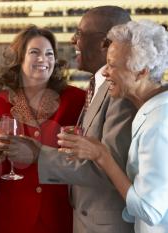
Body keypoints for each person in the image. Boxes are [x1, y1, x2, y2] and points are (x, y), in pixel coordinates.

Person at [3, 6, 137, 233]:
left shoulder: (119, 92)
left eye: (80, 33)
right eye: (34, 53)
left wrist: (38, 153)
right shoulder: (95, 87)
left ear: (105, 41)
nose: (74, 40)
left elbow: (109, 167)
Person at [58, 19, 168, 233]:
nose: (105, 72)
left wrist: (101, 156)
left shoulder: (158, 123)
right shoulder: (150, 112)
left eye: (112, 65)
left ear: (142, 71)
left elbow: (149, 209)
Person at [0, 25, 85, 233]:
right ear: (19, 59)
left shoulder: (76, 99)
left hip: (61, 214)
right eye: (34, 52)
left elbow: (82, 159)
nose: (43, 59)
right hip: (14, 216)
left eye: (49, 54)